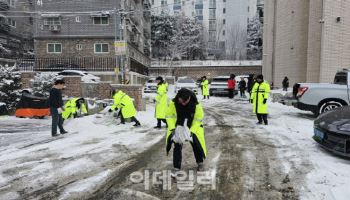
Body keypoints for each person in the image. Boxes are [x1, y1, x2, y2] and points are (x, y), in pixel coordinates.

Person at [166, 88, 207, 173]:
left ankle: (200, 163)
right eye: (181, 101)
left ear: (189, 98)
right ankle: (176, 167)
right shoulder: (173, 104)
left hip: (193, 127)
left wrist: (192, 131)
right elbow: (169, 116)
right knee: (177, 145)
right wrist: (172, 128)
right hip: (178, 126)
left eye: (185, 101)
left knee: (196, 144)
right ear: (178, 98)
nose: (183, 103)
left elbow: (198, 119)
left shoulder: (196, 105)